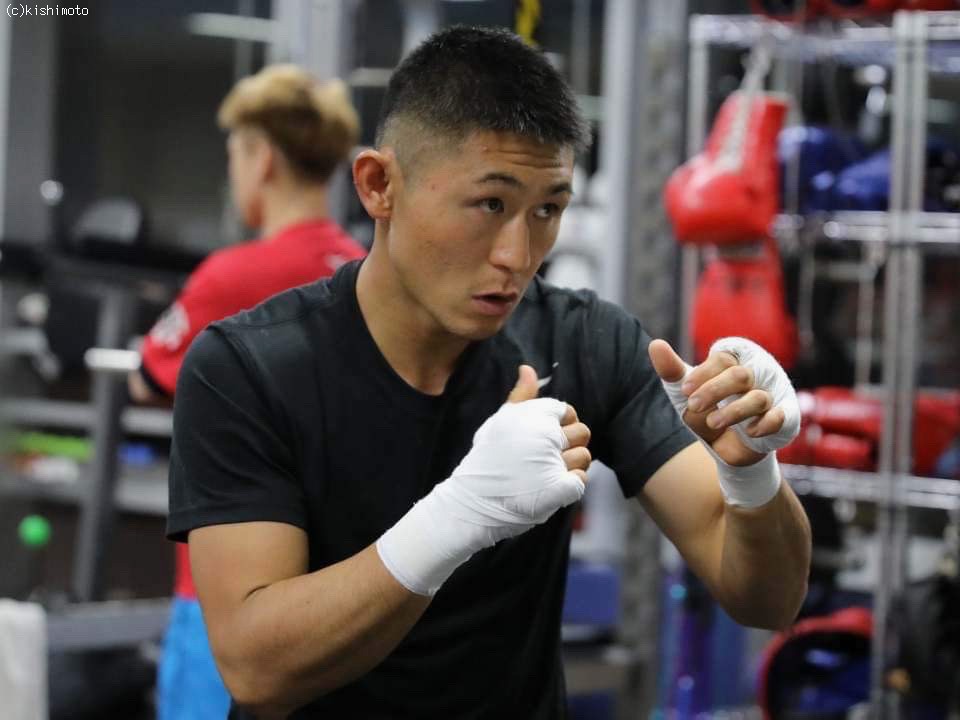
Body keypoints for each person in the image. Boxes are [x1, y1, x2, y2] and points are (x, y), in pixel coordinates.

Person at [168, 26, 812, 719]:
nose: (518, 254)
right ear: (379, 186)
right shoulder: (248, 368)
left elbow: (768, 600)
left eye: (547, 210)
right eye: (490, 205)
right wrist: (459, 515)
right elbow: (257, 669)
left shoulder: (585, 341)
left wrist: (752, 476)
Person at [128, 64, 366, 720]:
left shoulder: (231, 278)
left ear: (261, 159)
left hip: (228, 596)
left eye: (235, 153)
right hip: (343, 599)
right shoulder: (366, 273)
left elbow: (148, 378)